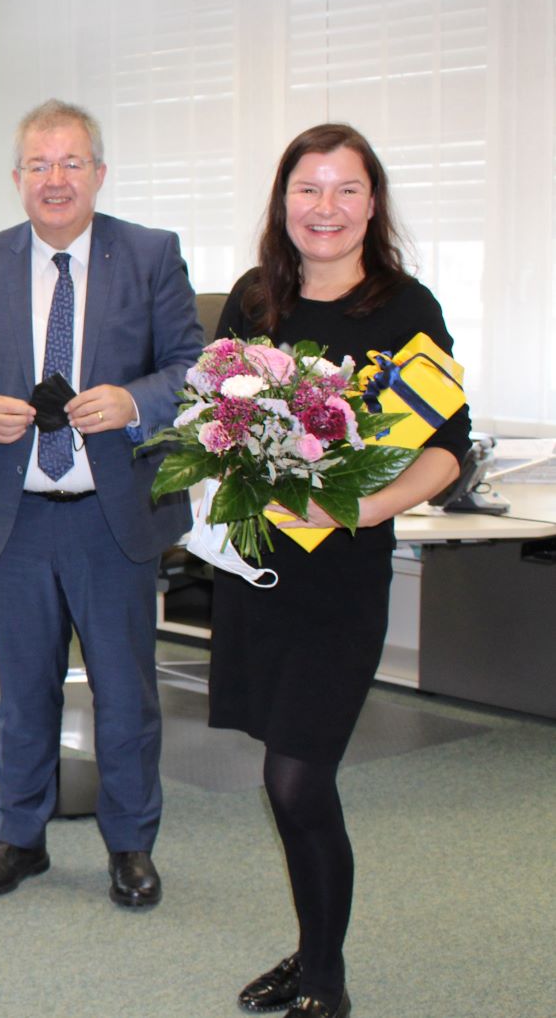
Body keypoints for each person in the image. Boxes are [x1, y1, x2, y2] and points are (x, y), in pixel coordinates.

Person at [210, 124, 468, 1018]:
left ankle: (327, 975)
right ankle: (310, 948)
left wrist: (358, 508)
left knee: (297, 777)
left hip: (342, 582)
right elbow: (217, 425)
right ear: (283, 202)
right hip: (261, 575)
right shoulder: (253, 302)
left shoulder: (403, 308)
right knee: (282, 775)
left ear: (372, 202)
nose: (326, 208)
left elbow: (446, 451)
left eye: (346, 189)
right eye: (308, 190)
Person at [0, 100, 204, 908]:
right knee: (23, 693)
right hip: (17, 517)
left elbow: (195, 366)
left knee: (124, 692)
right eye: (39, 165)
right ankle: (19, 837)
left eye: (71, 163)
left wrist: (135, 402)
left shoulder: (150, 255)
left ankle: (130, 846)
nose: (55, 180)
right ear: (17, 178)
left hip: (111, 517)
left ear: (99, 174)